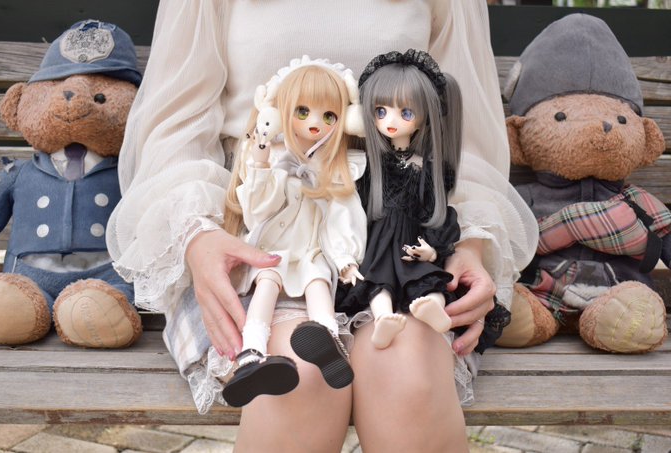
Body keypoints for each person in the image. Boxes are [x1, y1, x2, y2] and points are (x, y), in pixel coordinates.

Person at [106, 1, 538, 451]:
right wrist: (197, 236)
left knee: (407, 371)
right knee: (297, 377)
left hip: (397, 238)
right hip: (259, 233)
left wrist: (469, 245)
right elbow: (174, 131)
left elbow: (465, 143)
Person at [220, 58, 367, 407]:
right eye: (303, 111)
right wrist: (260, 163)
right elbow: (256, 212)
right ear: (277, 112)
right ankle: (252, 354)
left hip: (312, 249)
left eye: (328, 116)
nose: (315, 123)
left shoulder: (337, 166)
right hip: (274, 248)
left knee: (318, 281)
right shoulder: (269, 156)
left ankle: (328, 340)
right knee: (266, 284)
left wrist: (345, 258)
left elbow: (342, 216)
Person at [336, 50, 464, 350]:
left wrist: (432, 250)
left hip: (411, 242)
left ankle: (434, 308)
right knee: (376, 280)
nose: (390, 121)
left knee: (428, 277)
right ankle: (383, 320)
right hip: (377, 243)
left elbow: (436, 212)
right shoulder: (369, 166)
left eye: (406, 113)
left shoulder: (427, 169)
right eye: (380, 111)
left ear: (424, 117)